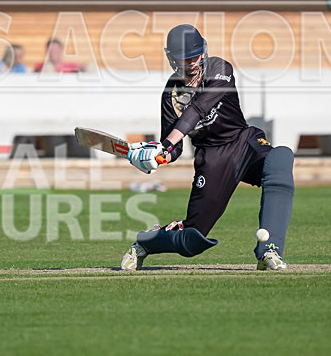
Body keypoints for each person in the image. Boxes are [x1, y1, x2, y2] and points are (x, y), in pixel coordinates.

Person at [120, 24, 294, 271]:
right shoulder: (171, 93)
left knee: (281, 159)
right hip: (212, 159)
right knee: (193, 238)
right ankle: (146, 242)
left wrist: (168, 142)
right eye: (184, 58)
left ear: (203, 51)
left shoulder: (220, 68)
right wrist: (159, 155)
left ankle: (269, 251)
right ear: (172, 59)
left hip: (243, 142)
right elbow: (174, 148)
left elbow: (198, 108)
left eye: (195, 56)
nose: (191, 63)